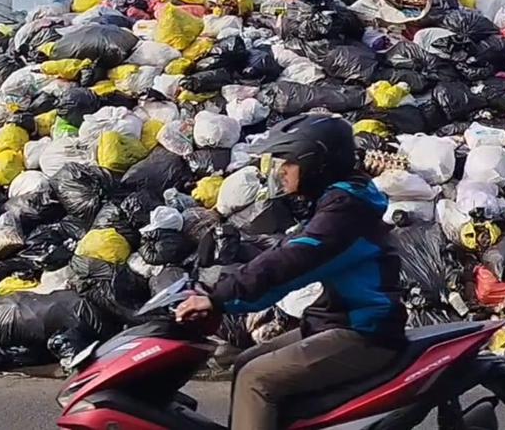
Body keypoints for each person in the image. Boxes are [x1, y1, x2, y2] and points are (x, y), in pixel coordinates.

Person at [174, 114, 406, 429]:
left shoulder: (345, 212)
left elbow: (294, 261)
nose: (280, 171)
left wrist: (219, 298)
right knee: (245, 361)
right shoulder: (341, 200)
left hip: (366, 331)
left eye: (288, 162)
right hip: (336, 320)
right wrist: (218, 289)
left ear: (316, 164)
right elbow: (284, 252)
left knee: (255, 380)